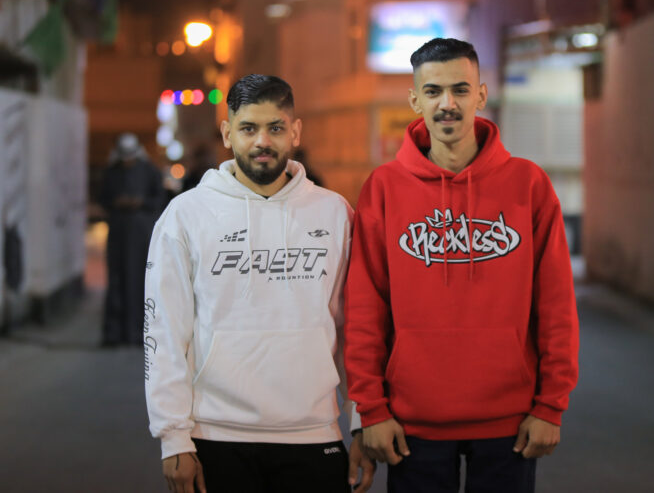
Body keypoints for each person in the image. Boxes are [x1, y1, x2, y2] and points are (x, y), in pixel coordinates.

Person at [343, 38, 579, 492]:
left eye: (460, 89)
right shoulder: (384, 188)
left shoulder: (528, 184)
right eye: (433, 91)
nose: (447, 104)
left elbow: (556, 304)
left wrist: (551, 405)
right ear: (415, 100)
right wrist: (370, 409)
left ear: (481, 95)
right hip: (412, 422)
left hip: (509, 421)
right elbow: (365, 308)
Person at [144, 74, 374, 493]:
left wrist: (361, 419)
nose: (262, 141)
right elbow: (164, 332)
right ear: (227, 133)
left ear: (295, 132)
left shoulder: (334, 213)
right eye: (248, 128)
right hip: (215, 434)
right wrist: (173, 436)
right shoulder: (186, 215)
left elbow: (356, 327)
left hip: (314, 432)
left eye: (275, 128)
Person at [99, 132, 164, 346]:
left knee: (139, 282)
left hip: (140, 236)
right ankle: (114, 334)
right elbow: (103, 198)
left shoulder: (150, 171)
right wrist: (118, 203)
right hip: (118, 235)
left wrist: (140, 203)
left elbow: (159, 199)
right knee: (116, 282)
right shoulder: (112, 173)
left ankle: (137, 332)